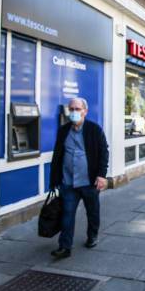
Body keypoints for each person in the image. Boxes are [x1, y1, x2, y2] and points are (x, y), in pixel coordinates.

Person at [49, 97, 109, 258]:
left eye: (78, 109)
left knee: (92, 212)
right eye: (72, 109)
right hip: (68, 182)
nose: (74, 112)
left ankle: (92, 236)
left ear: (85, 111)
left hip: (89, 181)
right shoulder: (63, 130)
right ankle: (65, 246)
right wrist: (54, 180)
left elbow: (104, 152)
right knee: (67, 214)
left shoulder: (94, 129)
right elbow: (57, 156)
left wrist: (102, 176)